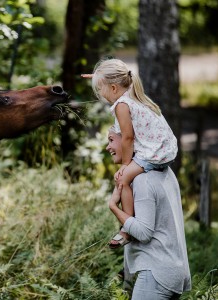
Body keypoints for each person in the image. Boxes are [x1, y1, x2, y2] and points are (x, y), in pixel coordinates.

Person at [82, 58, 178, 248]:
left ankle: (127, 229)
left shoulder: (121, 105)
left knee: (123, 179)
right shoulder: (132, 95)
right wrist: (100, 77)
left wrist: (126, 165)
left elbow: (127, 138)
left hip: (153, 153)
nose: (100, 94)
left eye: (100, 89)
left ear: (114, 88)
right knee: (124, 177)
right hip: (163, 149)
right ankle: (129, 223)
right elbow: (114, 80)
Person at [106, 127, 191, 299]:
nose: (107, 147)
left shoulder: (143, 181)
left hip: (156, 276)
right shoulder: (164, 171)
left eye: (111, 140)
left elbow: (144, 233)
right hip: (170, 272)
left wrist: (114, 207)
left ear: (127, 141)